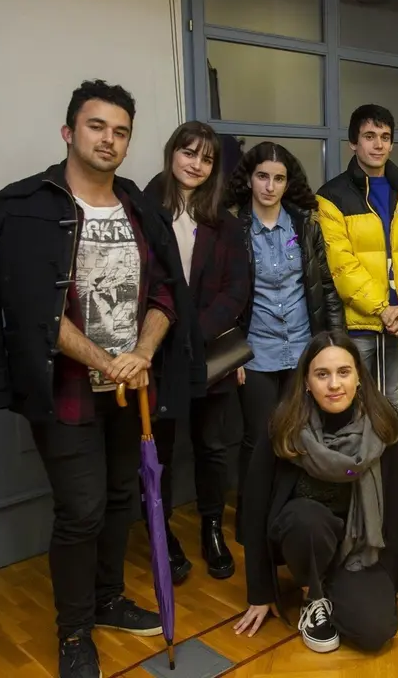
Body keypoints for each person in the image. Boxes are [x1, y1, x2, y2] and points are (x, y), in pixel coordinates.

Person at [0, 80, 195, 678]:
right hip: (69, 388)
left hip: (133, 388)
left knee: (122, 497)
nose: (109, 139)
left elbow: (163, 292)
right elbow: (31, 313)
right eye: (97, 126)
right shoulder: (28, 205)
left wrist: (143, 353)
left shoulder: (137, 205)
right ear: (70, 132)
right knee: (81, 508)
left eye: (120, 131)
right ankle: (73, 632)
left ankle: (106, 600)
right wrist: (106, 361)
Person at [235, 330, 398, 653]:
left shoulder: (382, 424)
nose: (334, 384)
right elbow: (255, 508)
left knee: (376, 631)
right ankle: (310, 594)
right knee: (307, 518)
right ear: (306, 382)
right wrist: (260, 592)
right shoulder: (283, 426)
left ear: (359, 377)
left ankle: (332, 588)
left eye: (344, 372)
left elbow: (396, 507)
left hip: (356, 550)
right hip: (302, 539)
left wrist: (391, 578)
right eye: (322, 374)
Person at [143, 121, 251, 583]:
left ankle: (211, 528)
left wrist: (195, 333)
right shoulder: (143, 211)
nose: (196, 165)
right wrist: (167, 335)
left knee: (211, 448)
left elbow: (237, 290)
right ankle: (161, 534)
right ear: (172, 154)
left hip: (209, 351)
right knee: (159, 449)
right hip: (158, 353)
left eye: (206, 159)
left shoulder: (224, 222)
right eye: (189, 153)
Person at [229, 142, 343, 536]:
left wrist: (333, 344)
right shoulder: (234, 228)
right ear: (249, 178)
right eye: (263, 176)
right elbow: (223, 295)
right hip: (254, 352)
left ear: (287, 183)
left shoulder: (305, 225)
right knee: (258, 439)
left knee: (301, 434)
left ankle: (290, 514)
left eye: (279, 178)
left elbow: (325, 286)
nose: (270, 186)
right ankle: (250, 522)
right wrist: (232, 354)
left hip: (303, 349)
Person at [316, 104, 398, 413]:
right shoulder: (331, 197)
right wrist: (382, 309)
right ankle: (356, 465)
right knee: (351, 407)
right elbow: (341, 264)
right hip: (357, 327)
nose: (378, 144)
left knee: (392, 405)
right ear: (353, 143)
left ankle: (390, 465)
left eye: (385, 137)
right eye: (369, 136)